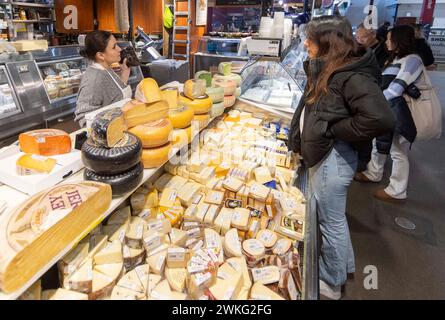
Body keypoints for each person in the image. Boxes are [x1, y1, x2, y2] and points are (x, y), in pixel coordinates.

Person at [288, 16, 395, 300]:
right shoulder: (332, 65)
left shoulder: (350, 74)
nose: (306, 43)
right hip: (327, 156)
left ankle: (332, 282)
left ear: (328, 43)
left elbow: (382, 118)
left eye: (311, 39)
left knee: (329, 221)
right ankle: (343, 267)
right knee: (334, 218)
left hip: (332, 159)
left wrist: (335, 130)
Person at [355, 25, 423, 202]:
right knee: (381, 142)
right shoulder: (396, 58)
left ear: (399, 40)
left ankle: (397, 190)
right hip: (387, 109)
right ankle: (373, 173)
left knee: (398, 151)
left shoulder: (413, 60)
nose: (386, 41)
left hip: (401, 112)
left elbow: (396, 89)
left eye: (390, 38)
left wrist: (370, 103)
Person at [75, 30, 131, 128]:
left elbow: (115, 96)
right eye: (114, 47)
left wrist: (125, 72)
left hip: (120, 127)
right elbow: (84, 118)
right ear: (100, 55)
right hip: (108, 136)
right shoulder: (93, 80)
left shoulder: (106, 69)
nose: (119, 49)